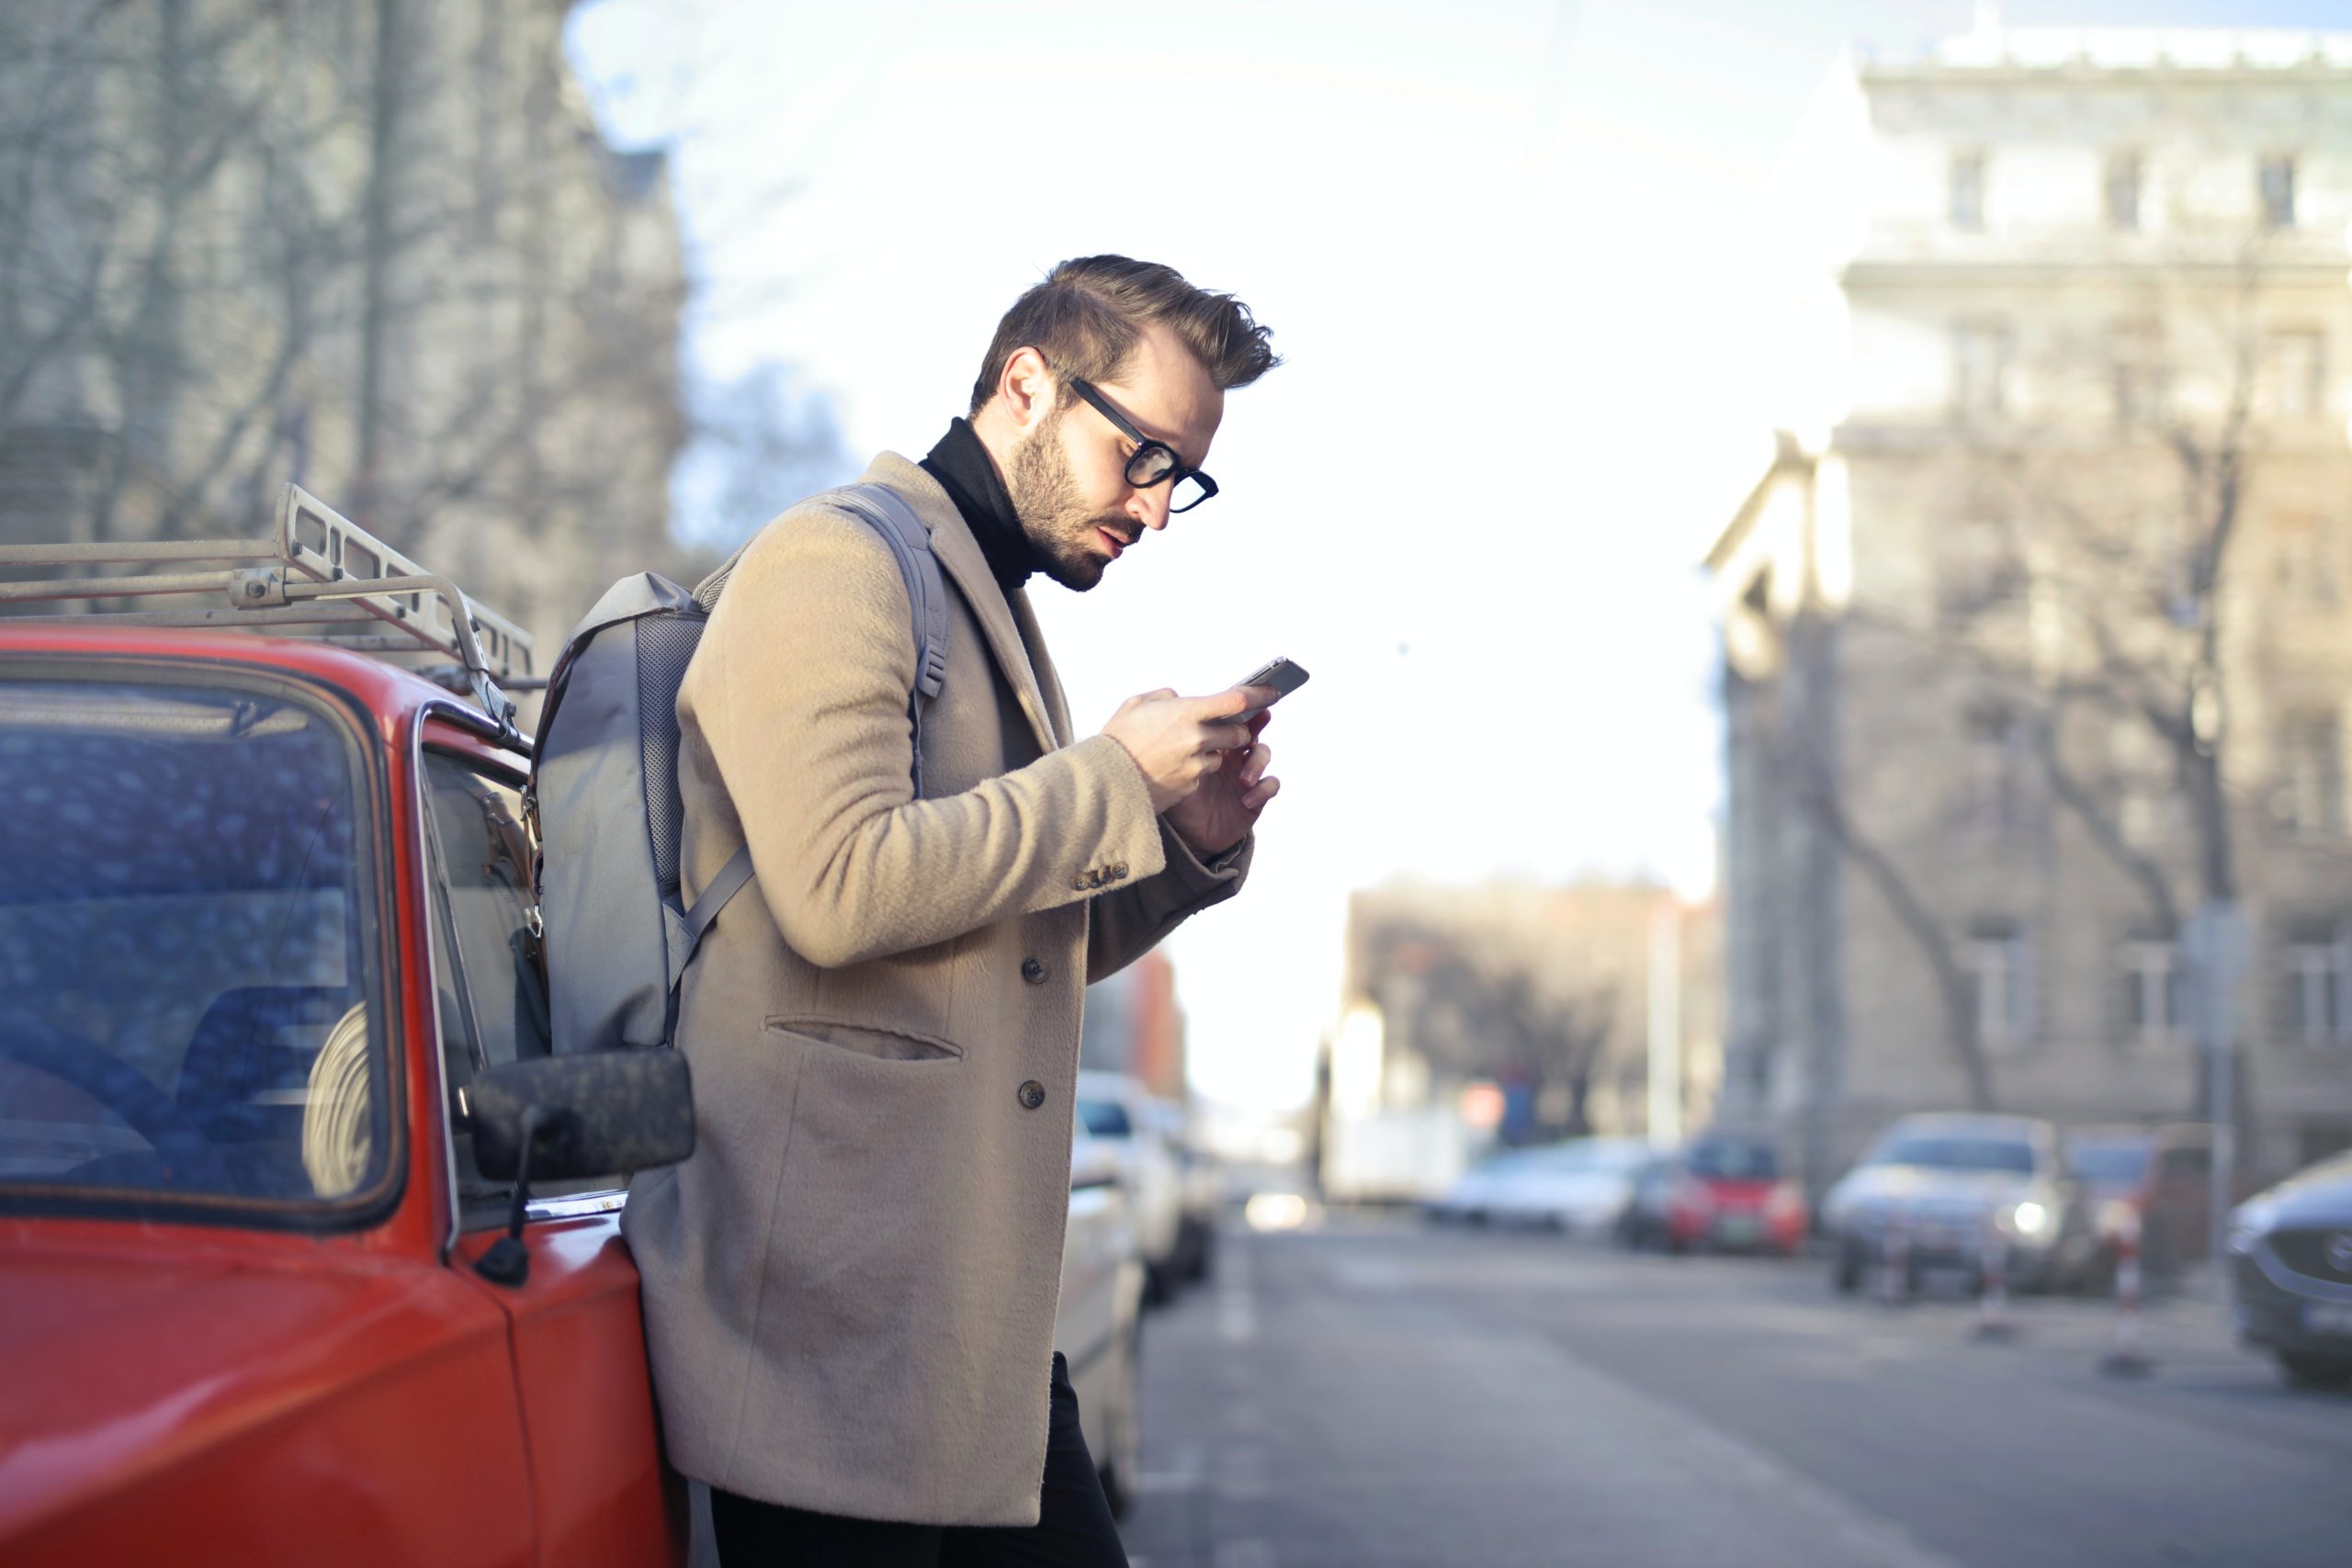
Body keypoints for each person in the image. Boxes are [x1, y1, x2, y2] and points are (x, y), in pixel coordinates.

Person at [621, 254, 1283, 1566]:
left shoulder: (988, 611)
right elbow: (841, 886)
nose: (1156, 512)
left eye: (1183, 481)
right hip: (825, 1339)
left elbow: (1002, 945)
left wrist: (1177, 849)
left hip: (955, 1330)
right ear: (1027, 385)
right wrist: (1108, 781)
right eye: (1143, 456)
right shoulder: (838, 560)